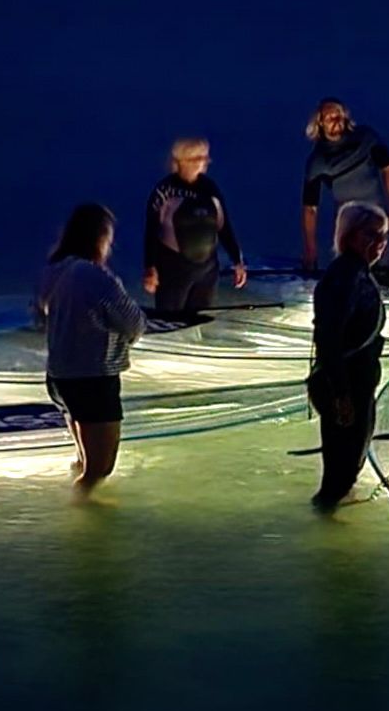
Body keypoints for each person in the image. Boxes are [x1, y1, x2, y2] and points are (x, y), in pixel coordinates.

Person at [34, 204, 147, 496]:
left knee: (84, 461)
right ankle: (82, 525)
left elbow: (38, 318)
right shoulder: (95, 277)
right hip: (93, 378)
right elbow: (133, 323)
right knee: (99, 469)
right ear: (99, 237)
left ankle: (74, 507)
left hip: (59, 377)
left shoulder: (53, 271)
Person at [308, 201, 389, 510]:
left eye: (384, 235)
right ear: (353, 236)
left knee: (347, 463)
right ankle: (327, 528)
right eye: (373, 234)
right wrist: (342, 395)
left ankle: (330, 518)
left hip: (354, 382)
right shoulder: (346, 276)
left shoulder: (356, 273)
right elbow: (329, 337)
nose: (380, 243)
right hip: (345, 385)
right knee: (340, 471)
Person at [141, 137, 248, 315]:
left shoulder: (210, 188)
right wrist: (150, 268)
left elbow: (223, 226)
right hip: (173, 269)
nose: (207, 162)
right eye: (200, 158)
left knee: (198, 321)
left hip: (207, 270)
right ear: (183, 161)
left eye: (206, 157)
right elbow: (151, 230)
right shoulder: (165, 191)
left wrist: (237, 261)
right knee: (170, 321)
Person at [301, 99, 389, 276]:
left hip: (377, 216)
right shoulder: (318, 161)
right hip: (349, 222)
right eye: (330, 117)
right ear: (320, 123)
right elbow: (310, 208)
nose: (336, 120)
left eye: (339, 115)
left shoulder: (366, 138)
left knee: (384, 266)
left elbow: (388, 168)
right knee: (349, 270)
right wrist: (310, 247)